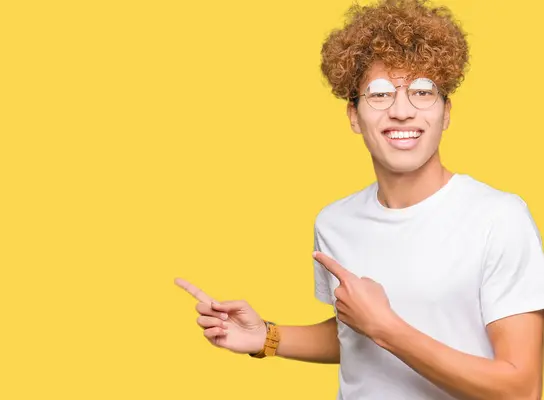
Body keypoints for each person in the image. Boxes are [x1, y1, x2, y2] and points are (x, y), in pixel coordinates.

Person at [175, 0, 544, 398]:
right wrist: (267, 336)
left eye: (422, 91)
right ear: (353, 115)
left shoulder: (498, 218)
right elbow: (356, 336)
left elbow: (519, 389)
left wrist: (386, 327)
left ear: (446, 112)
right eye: (379, 94)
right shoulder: (335, 222)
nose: (402, 110)